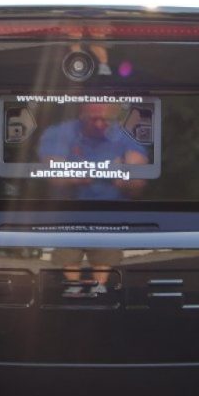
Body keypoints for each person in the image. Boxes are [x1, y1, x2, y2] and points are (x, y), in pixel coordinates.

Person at [38, 103, 148, 296]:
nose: (99, 124)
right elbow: (53, 173)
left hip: (108, 217)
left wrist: (125, 177)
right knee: (69, 261)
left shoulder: (125, 136)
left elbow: (138, 179)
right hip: (68, 216)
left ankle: (98, 291)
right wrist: (108, 172)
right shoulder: (60, 132)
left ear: (114, 117)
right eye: (93, 119)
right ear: (82, 114)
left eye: (105, 119)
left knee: (103, 271)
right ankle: (73, 290)